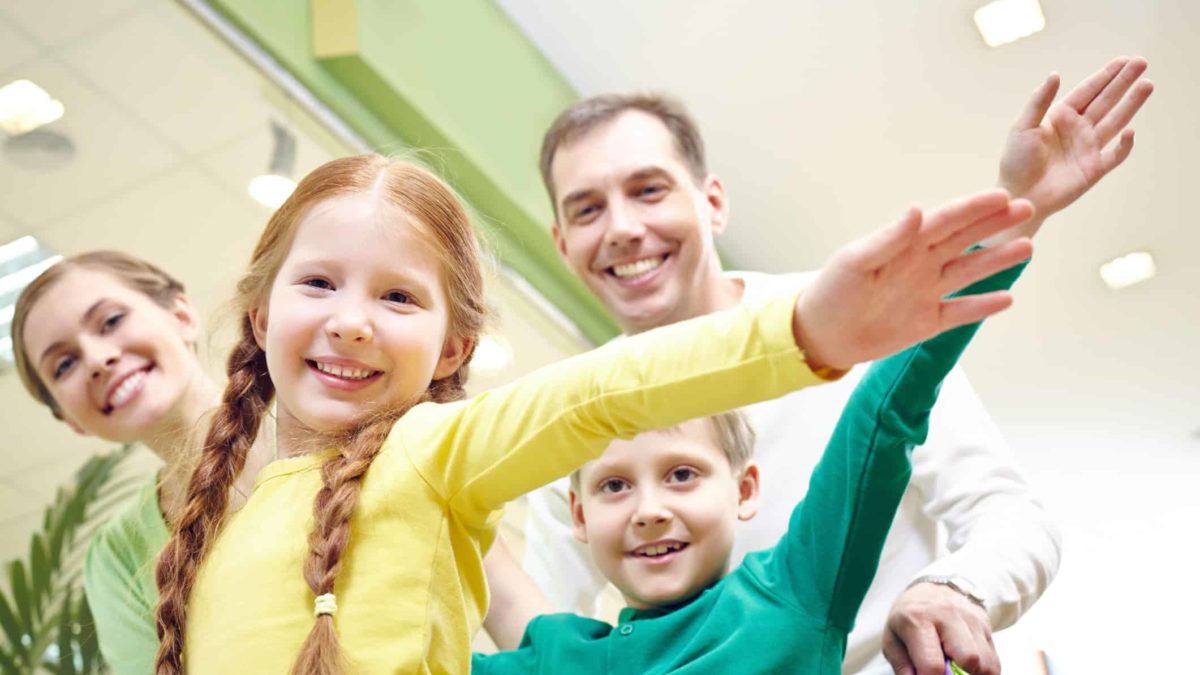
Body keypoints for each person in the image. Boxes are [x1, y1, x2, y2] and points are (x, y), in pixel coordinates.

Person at [149, 152, 1030, 674]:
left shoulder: (788, 594)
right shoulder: (558, 655)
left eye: (398, 297)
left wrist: (809, 326)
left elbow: (601, 392)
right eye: (318, 283)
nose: (349, 317)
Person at [520, 56, 1152, 675]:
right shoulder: (572, 420)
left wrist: (951, 590)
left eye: (648, 190)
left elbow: (1008, 513)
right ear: (561, 244)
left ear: (712, 202)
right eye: (587, 209)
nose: (623, 228)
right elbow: (541, 622)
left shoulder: (851, 318)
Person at [474, 252, 1028, 675]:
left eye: (682, 474)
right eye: (614, 485)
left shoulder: (792, 593)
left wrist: (1019, 207)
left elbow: (882, 414)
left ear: (744, 489)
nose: (649, 510)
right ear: (578, 515)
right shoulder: (559, 656)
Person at [10, 252, 275, 675]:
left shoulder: (322, 423)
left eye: (111, 321)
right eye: (64, 364)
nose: (97, 359)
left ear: (181, 314)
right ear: (69, 419)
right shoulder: (116, 558)